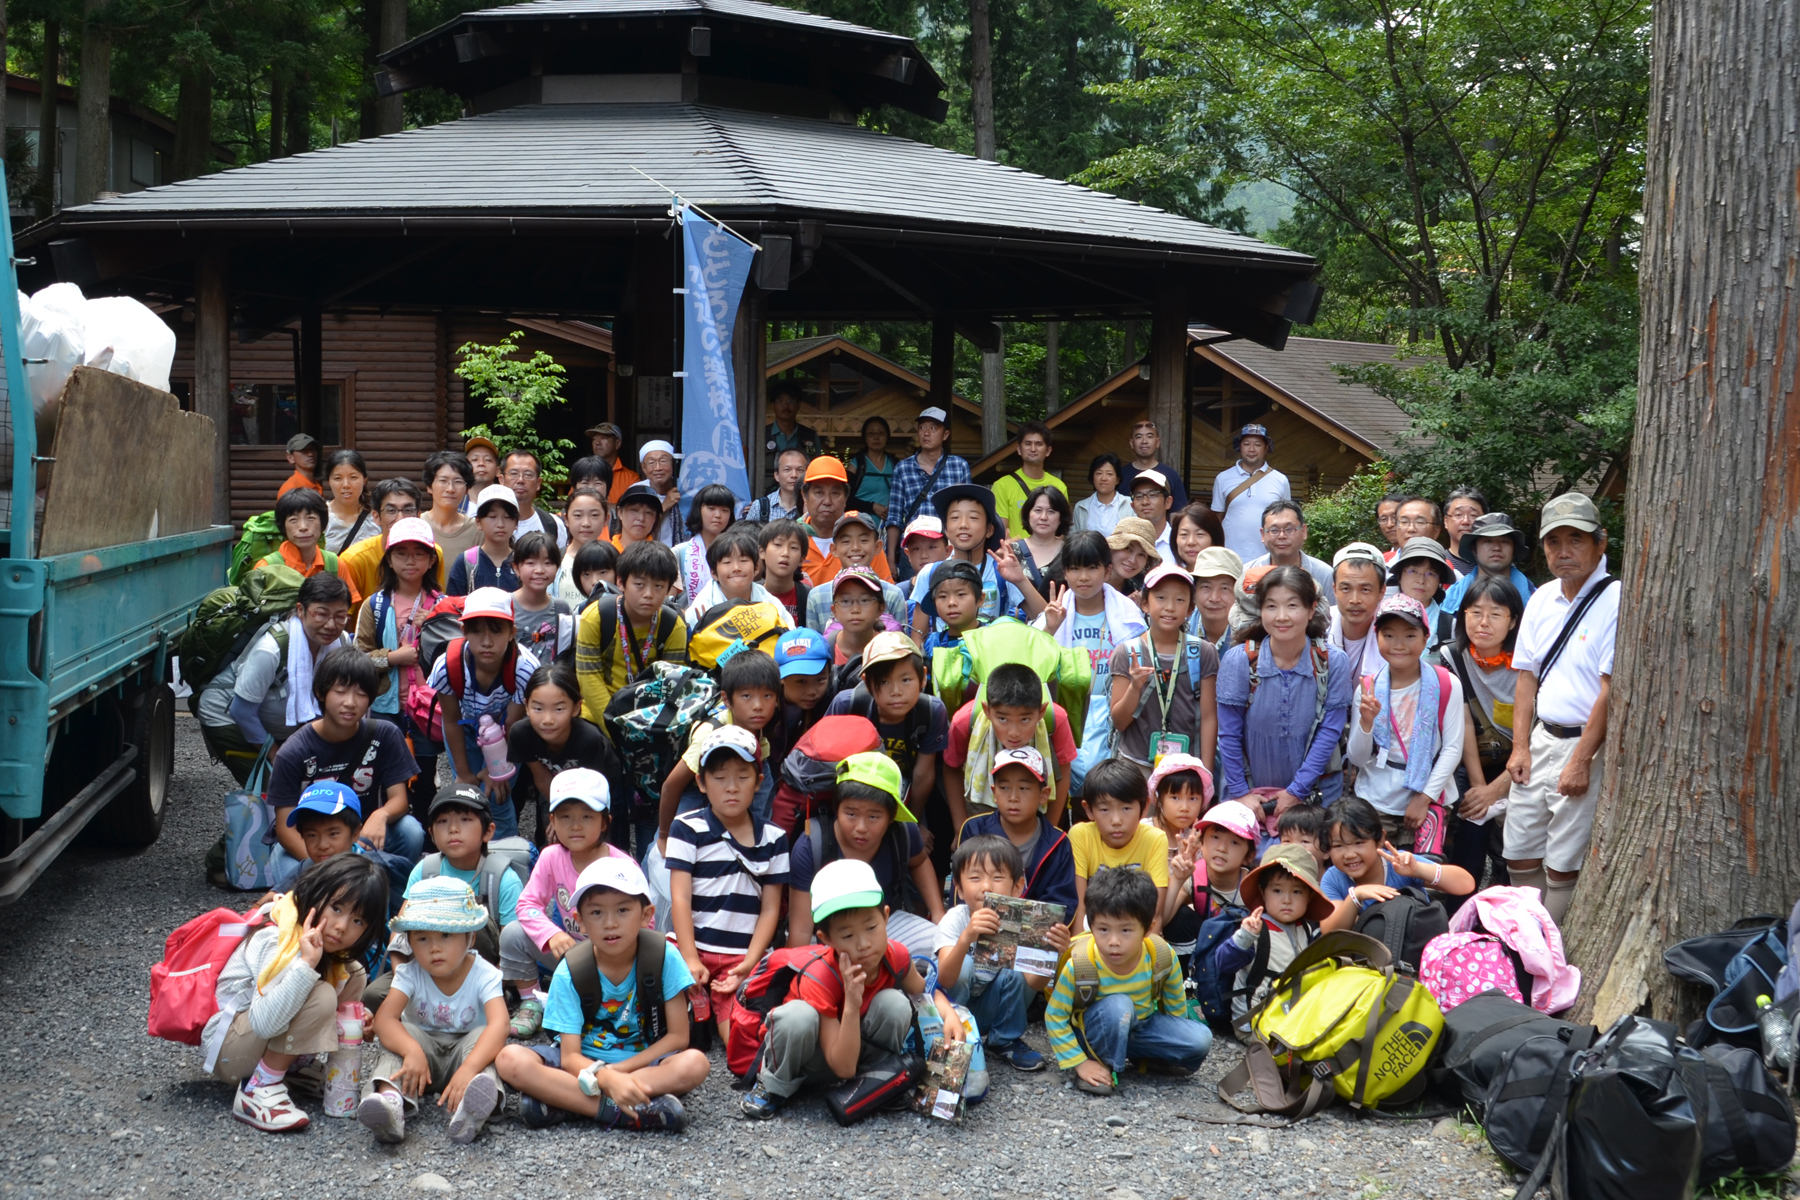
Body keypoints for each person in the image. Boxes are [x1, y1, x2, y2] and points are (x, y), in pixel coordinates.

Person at [494, 857, 709, 1132]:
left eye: (622, 910)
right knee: (510, 1059)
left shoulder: (664, 957)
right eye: (596, 913)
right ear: (579, 921)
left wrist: (615, 1074)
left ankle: (565, 1102)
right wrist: (604, 1077)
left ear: (646, 915)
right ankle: (617, 1110)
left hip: (641, 1063)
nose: (610, 923)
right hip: (580, 1065)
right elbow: (570, 1057)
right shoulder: (570, 971)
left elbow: (678, 1037)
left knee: (695, 1063)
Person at [741, 857, 958, 1120]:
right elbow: (842, 1067)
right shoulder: (820, 976)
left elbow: (921, 993)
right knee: (798, 1016)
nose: (864, 943)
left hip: (855, 1055)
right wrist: (852, 1004)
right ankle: (773, 1086)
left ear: (886, 917)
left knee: (895, 1003)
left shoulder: (895, 956)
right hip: (810, 1058)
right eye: (847, 936)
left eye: (871, 927)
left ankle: (875, 1080)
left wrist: (950, 1013)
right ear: (826, 939)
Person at [205, 855, 387, 1132]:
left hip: (253, 1040)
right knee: (321, 994)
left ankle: (293, 1068)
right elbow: (263, 1022)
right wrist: (306, 965)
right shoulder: (277, 938)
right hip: (229, 1050)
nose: (342, 926)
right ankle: (258, 1088)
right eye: (336, 908)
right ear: (315, 896)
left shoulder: (334, 956)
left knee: (353, 974)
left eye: (358, 921)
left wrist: (356, 1022)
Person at [1503, 492, 1616, 925]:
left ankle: (1549, 951)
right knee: (1518, 851)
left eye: (1576, 539)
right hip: (1540, 738)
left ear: (1599, 542)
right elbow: (1526, 677)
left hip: (1584, 743)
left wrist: (1582, 760)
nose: (1563, 551)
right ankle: (1528, 939)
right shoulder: (1541, 597)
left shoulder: (1617, 598)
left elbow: (1610, 690)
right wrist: (1519, 746)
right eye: (1553, 542)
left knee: (1562, 860)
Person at [358, 878, 509, 1145]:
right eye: (423, 938)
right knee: (401, 1036)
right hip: (420, 1061)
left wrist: (469, 1067)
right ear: (410, 942)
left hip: (466, 1054)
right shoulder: (410, 972)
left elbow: (500, 1025)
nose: (434, 948)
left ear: (470, 937)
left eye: (446, 935)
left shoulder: (484, 973)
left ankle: (470, 1109)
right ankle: (390, 1104)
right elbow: (384, 1020)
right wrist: (411, 1050)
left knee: (485, 1038)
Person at [667, 725, 792, 1043]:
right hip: (690, 946)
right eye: (720, 778)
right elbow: (680, 897)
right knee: (671, 1027)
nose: (731, 788)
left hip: (740, 954)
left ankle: (717, 1011)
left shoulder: (774, 838)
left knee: (737, 1040)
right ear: (702, 782)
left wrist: (749, 963)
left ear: (759, 782)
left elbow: (770, 908)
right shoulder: (686, 827)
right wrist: (691, 958)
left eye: (742, 777)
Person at [265, 645, 426, 887]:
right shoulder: (294, 751)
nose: (350, 703)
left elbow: (399, 799)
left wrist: (381, 814)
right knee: (292, 876)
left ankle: (385, 895)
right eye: (340, 691)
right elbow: (285, 829)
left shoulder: (385, 734)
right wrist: (332, 867)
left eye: (361, 694)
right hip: (313, 842)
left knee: (410, 830)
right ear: (321, 692)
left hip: (360, 835)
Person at [1045, 864, 1210, 1096]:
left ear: (1148, 929)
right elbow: (1055, 1015)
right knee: (1120, 1006)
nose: (1113, 941)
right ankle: (1103, 1065)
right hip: (1095, 1033)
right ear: (1090, 927)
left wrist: (1174, 1041)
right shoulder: (1081, 964)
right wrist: (1079, 1062)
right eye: (1103, 929)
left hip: (1140, 1028)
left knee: (1201, 1038)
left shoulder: (1161, 955)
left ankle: (1146, 1058)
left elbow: (1175, 1011)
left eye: (1125, 931)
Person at [500, 768, 634, 1038]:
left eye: (587, 816)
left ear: (605, 822)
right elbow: (526, 905)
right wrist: (552, 933)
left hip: (612, 957)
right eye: (565, 817)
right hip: (569, 949)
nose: (575, 825)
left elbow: (644, 924)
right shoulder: (551, 857)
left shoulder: (622, 866)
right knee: (513, 933)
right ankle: (532, 1002)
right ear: (552, 821)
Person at [1216, 565, 1355, 811]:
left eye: (1292, 605)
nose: (1281, 616)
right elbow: (1228, 733)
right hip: (1248, 795)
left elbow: (1330, 731)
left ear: (1311, 609)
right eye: (1271, 606)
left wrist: (1296, 791)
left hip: (1312, 795)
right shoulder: (1239, 660)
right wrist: (1240, 793)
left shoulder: (1333, 661)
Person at [197, 572, 354, 782]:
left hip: (273, 721)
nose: (331, 625)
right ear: (301, 610)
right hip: (227, 714)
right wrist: (274, 755)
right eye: (321, 614)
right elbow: (241, 710)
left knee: (306, 781)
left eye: (340, 616)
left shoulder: (342, 643)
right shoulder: (271, 650)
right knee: (274, 787)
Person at [786, 752, 944, 957]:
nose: (861, 827)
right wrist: (795, 972)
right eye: (850, 813)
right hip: (829, 935)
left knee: (943, 947)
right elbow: (801, 930)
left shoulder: (903, 832)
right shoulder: (811, 846)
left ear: (891, 816)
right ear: (837, 808)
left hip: (885, 924)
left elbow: (920, 861)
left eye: (874, 816)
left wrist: (939, 912)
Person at [935, 834, 1064, 1072]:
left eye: (997, 877)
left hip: (989, 1008)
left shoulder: (1027, 923)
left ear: (1017, 886)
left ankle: (1003, 1040)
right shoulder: (955, 918)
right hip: (952, 1012)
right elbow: (945, 979)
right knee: (963, 964)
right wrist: (966, 938)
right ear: (960, 889)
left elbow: (1034, 984)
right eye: (975, 878)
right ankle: (960, 1037)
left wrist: (1050, 952)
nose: (986, 887)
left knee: (1018, 971)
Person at [1346, 595, 1464, 853]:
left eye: (1410, 636)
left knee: (1424, 878)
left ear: (1426, 638)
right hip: (1376, 799)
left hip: (1428, 797)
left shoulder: (1446, 684)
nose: (1399, 645)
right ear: (1376, 637)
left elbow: (1453, 748)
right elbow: (1357, 757)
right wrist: (1366, 722)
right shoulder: (1368, 690)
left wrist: (1424, 799)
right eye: (1388, 635)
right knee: (1378, 874)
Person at [429, 588, 538, 840]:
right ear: (463, 631)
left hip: (507, 734)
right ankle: (468, 855)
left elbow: (513, 724)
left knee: (496, 795)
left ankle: (506, 856)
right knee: (467, 795)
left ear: (512, 633)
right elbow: (451, 720)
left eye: (496, 630)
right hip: (465, 727)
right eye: (476, 631)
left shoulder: (525, 669)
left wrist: (494, 771)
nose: (486, 641)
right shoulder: (447, 666)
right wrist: (464, 773)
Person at [1441, 574, 1524, 897]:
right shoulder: (1453, 657)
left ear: (1513, 620)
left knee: (1519, 837)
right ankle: (1460, 905)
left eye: (1496, 614)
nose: (1483, 622)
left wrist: (1496, 790)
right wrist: (1479, 787)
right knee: (1468, 819)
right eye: (1475, 612)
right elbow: (1460, 723)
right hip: (1473, 758)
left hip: (1521, 763)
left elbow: (1530, 736)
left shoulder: (1528, 663)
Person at [356, 516, 443, 816]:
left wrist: (432, 626)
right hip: (386, 705)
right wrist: (392, 658)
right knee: (384, 775)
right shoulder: (375, 605)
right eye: (401, 553)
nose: (411, 561)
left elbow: (456, 655)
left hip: (429, 706)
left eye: (419, 553)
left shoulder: (442, 605)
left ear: (431, 560)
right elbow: (358, 657)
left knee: (426, 775)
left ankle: (427, 836)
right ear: (389, 560)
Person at [1211, 843, 1342, 1029]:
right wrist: (1244, 937)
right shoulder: (1256, 929)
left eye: (1297, 892)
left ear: (1310, 897)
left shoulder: (1305, 928)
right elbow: (1224, 963)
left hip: (1290, 1011)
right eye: (1277, 890)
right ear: (1263, 893)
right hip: (1255, 1019)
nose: (1286, 900)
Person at [656, 650, 783, 840]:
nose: (758, 705)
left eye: (767, 696)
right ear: (726, 699)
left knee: (760, 817)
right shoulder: (709, 734)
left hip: (743, 771)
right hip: (696, 783)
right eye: (747, 696)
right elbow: (672, 786)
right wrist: (664, 837)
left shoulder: (758, 724)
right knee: (679, 835)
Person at [1108, 562, 1219, 772]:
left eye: (1179, 600)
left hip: (1186, 768)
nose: (1170, 607)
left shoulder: (1202, 652)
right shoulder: (1128, 653)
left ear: (1190, 609)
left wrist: (1206, 772)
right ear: (1145, 604)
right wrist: (1134, 687)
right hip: (1135, 767)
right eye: (1160, 598)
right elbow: (1119, 722)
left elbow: (1208, 718)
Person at [942, 661, 1079, 830]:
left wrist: (1049, 831)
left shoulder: (1056, 719)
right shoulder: (964, 721)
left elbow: (1063, 773)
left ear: (1041, 712)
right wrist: (960, 828)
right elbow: (952, 770)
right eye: (1003, 719)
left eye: (1025, 719)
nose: (1014, 732)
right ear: (987, 710)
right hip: (981, 815)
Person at [507, 663, 627, 847]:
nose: (547, 720)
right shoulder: (521, 733)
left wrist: (572, 819)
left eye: (559, 709)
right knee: (551, 834)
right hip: (554, 785)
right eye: (538, 708)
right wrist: (560, 816)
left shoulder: (588, 739)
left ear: (576, 707)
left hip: (598, 785)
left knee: (601, 837)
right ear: (526, 706)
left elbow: (593, 791)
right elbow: (541, 777)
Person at [824, 632, 948, 808]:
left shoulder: (932, 711)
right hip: (854, 795)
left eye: (906, 680)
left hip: (908, 793)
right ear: (867, 683)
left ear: (922, 678)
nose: (896, 691)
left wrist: (915, 821)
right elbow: (830, 765)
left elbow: (923, 773)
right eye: (883, 682)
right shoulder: (847, 706)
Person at [907, 482, 1041, 642]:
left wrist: (1020, 580)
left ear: (989, 530)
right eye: (955, 518)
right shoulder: (930, 573)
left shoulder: (1001, 570)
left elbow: (1044, 618)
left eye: (973, 518)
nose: (963, 525)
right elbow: (917, 639)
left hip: (991, 660)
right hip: (945, 661)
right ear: (946, 529)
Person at [574, 539, 687, 722]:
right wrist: (615, 728)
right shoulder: (596, 617)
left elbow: (670, 686)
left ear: (668, 589)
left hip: (648, 718)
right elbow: (589, 679)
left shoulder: (674, 626)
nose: (648, 594)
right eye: (639, 584)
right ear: (621, 582)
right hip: (596, 717)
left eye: (658, 586)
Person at [955, 746, 1076, 914]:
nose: (1013, 797)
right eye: (1004, 788)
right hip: (980, 925)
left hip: (1038, 935)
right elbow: (965, 890)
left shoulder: (1058, 842)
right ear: (994, 792)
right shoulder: (975, 829)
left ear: (1044, 795)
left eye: (1024, 788)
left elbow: (1062, 902)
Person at [1319, 796, 1474, 912]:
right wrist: (1355, 897)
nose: (1349, 854)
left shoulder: (1399, 863)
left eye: (1359, 843)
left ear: (1380, 839)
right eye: (1338, 846)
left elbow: (1466, 884)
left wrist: (1418, 870)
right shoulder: (1333, 878)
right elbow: (1330, 929)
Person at [1068, 758, 1169, 935]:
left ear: (1144, 806)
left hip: (1136, 934)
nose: (1116, 821)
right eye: (1105, 810)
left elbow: (1154, 912)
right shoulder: (1081, 835)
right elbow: (1080, 907)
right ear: (1089, 809)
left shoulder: (1155, 839)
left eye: (1126, 808)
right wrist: (1078, 955)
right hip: (1092, 932)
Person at [1037, 530, 1147, 676]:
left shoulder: (1128, 613)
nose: (1083, 577)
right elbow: (1034, 663)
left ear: (1107, 571)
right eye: (1075, 569)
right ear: (1065, 572)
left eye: (1092, 568)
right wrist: (1050, 630)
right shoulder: (1052, 615)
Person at [884, 405, 971, 578]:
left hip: (948, 547)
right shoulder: (903, 468)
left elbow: (966, 512)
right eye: (922, 427)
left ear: (945, 434)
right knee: (913, 597)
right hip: (913, 549)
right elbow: (894, 517)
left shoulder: (959, 466)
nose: (926, 433)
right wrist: (890, 559)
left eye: (933, 428)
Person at [1142, 754, 1213, 968]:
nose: (1184, 807)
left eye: (1193, 798)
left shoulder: (1201, 840)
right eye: (1175, 797)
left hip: (1175, 919)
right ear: (1159, 798)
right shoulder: (1144, 831)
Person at [1440, 512, 1535, 642]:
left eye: (1504, 541)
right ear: (1474, 549)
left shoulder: (1536, 600)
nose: (1496, 547)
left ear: (1514, 549)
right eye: (1488, 541)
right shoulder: (1449, 600)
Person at [801, 457, 894, 586]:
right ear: (804, 496)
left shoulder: (864, 542)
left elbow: (887, 594)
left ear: (846, 499)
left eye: (835, 493)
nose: (827, 501)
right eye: (819, 493)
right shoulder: (793, 539)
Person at [805, 516, 906, 634]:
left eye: (864, 540)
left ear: (878, 547)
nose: (855, 548)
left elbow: (902, 645)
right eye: (846, 541)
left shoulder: (893, 594)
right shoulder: (817, 596)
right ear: (834, 549)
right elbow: (815, 646)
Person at [339, 479, 424, 615]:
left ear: (418, 515)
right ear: (376, 517)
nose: (400, 518)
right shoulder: (354, 560)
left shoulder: (431, 554)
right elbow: (344, 617)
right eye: (391, 511)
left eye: (408, 510)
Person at [1210, 423, 1291, 563]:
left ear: (1266, 448)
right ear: (1240, 447)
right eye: (1246, 444)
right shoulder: (1222, 478)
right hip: (1230, 556)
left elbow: (1287, 519)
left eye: (1258, 445)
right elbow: (1217, 518)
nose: (1251, 449)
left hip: (1269, 557)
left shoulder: (1280, 480)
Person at [685, 526, 791, 628]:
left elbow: (788, 636)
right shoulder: (700, 608)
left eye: (743, 561)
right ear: (713, 573)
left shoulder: (770, 603)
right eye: (727, 562)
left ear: (756, 568)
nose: (736, 568)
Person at [1244, 499, 1335, 603]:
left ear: (1304, 531)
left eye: (1289, 529)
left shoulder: (1325, 575)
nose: (1282, 536)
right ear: (1263, 535)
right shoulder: (1247, 574)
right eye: (1274, 530)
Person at [992, 421, 1069, 540]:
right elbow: (1001, 531)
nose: (1033, 449)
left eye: (1039, 444)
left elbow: (1062, 527)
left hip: (1049, 554)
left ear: (1048, 450)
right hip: (1016, 554)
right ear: (1019, 449)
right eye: (1028, 443)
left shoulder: (1059, 486)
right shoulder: (1002, 485)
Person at [1327, 542, 1390, 678]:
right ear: (1334, 590)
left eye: (1365, 590)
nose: (1355, 600)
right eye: (1346, 589)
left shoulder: (1393, 636)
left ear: (1381, 592)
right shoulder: (1317, 627)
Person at [446, 484, 520, 596]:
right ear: (478, 522)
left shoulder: (523, 562)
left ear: (516, 523)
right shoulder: (467, 562)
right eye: (492, 517)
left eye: (508, 517)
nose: (500, 524)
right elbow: (452, 606)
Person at [509, 532, 572, 661]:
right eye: (531, 563)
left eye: (548, 563)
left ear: (557, 567)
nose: (539, 570)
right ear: (516, 568)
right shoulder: (505, 606)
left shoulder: (561, 609)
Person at [674, 483, 738, 609]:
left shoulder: (737, 553)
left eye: (725, 510)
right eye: (711, 508)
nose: (718, 515)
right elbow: (667, 600)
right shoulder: (680, 553)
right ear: (699, 510)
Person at [255, 486, 339, 582]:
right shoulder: (266, 567)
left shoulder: (335, 564)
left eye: (310, 518)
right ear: (283, 526)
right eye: (293, 520)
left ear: (323, 522)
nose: (303, 527)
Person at [422, 451, 480, 589]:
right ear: (430, 486)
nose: (450, 489)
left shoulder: (477, 530)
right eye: (443, 481)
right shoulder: (416, 527)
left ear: (467, 489)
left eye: (458, 482)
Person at [1389, 536, 1456, 647]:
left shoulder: (1449, 626)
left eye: (1430, 574)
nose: (1421, 580)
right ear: (1400, 576)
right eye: (1413, 571)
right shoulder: (1381, 616)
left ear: (1439, 581)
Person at [552, 486, 611, 608]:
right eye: (578, 515)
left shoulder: (614, 561)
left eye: (594, 515)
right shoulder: (555, 561)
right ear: (566, 519)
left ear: (606, 519)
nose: (586, 524)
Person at [498, 450, 566, 551]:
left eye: (528, 474)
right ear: (501, 480)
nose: (520, 480)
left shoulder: (553, 525)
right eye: (513, 473)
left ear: (538, 483)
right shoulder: (489, 523)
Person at [1011, 485, 1070, 595]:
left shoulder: (1071, 552)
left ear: (1061, 518)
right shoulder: (1012, 551)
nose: (1043, 517)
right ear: (1028, 515)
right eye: (1038, 510)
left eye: (1051, 511)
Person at [763, 382, 823, 487]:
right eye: (780, 401)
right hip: (767, 494)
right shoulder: (762, 435)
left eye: (790, 401)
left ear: (798, 405)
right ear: (773, 405)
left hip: (801, 495)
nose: (785, 406)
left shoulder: (810, 436)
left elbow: (816, 470)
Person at [1121, 420, 1190, 510]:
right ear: (1131, 443)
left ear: (1157, 442)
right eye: (1138, 437)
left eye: (1150, 436)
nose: (1144, 441)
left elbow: (1179, 513)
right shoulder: (1120, 475)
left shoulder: (1171, 475)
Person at [322, 449, 378, 554]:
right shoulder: (320, 516)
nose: (346, 485)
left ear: (364, 479)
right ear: (329, 481)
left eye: (353, 477)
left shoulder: (376, 518)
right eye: (338, 478)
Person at [758, 518, 811, 627]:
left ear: (802, 559)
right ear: (762, 552)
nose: (785, 553)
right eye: (778, 545)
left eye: (793, 547)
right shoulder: (749, 594)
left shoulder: (809, 598)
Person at [1190, 546, 1243, 653]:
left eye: (1224, 588)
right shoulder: (1181, 625)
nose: (1214, 598)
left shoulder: (1249, 633)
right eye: (1206, 587)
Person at [845, 415, 896, 523]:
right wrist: (871, 506)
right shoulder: (857, 465)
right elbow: (845, 498)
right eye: (871, 433)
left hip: (890, 527)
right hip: (860, 525)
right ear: (865, 437)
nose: (876, 437)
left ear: (887, 436)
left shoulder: (894, 464)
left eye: (881, 433)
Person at [638, 440, 686, 546]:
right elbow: (637, 529)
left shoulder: (686, 488)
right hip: (648, 552)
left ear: (673, 463)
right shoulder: (637, 491)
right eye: (651, 463)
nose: (658, 468)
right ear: (643, 468)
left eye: (663, 461)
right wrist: (664, 506)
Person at [1073, 452, 1132, 536]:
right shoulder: (1081, 507)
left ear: (1117, 480)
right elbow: (1075, 540)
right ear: (1092, 478)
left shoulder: (1130, 504)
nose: (1103, 478)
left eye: (1109, 474)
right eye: (1099, 473)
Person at [745, 447, 807, 524]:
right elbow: (746, 535)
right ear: (776, 475)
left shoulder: (812, 506)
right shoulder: (760, 507)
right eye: (787, 470)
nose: (794, 475)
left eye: (800, 470)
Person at [583, 423, 640, 505]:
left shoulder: (631, 479)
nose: (597, 442)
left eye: (603, 438)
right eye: (594, 439)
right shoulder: (584, 474)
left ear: (617, 443)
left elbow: (634, 509)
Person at [1104, 517, 1160, 599]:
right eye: (1128, 549)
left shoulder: (1143, 588)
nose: (1132, 560)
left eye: (1141, 554)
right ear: (1112, 548)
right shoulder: (1090, 579)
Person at [1128, 468, 1177, 561]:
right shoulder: (1125, 542)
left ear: (1168, 502)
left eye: (1153, 494)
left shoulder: (1178, 543)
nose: (1145, 502)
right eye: (1138, 496)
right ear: (1133, 506)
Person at [1442, 486, 1488, 575]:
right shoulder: (1437, 562)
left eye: (1473, 515)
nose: (1466, 521)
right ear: (1446, 521)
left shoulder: (1496, 564)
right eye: (1458, 514)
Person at [1170, 503, 1225, 571]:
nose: (1191, 542)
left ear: (1214, 539)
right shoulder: (1169, 579)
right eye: (1184, 534)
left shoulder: (1231, 579)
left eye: (1200, 534)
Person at [613, 480, 666, 551]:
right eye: (634, 510)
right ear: (620, 512)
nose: (641, 518)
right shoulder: (607, 554)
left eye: (648, 512)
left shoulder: (661, 556)